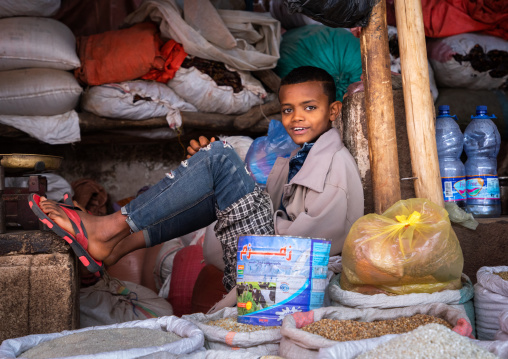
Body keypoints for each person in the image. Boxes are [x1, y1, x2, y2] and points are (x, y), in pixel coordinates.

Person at [29, 66, 364, 292]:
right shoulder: (294, 158)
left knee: (219, 157)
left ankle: (107, 229)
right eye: (288, 109)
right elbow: (266, 208)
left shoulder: (335, 165)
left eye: (309, 108)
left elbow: (316, 246)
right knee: (216, 168)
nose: (296, 118)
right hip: (267, 258)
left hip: (281, 277)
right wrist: (216, 182)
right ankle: (120, 244)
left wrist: (222, 175)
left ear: (333, 111)